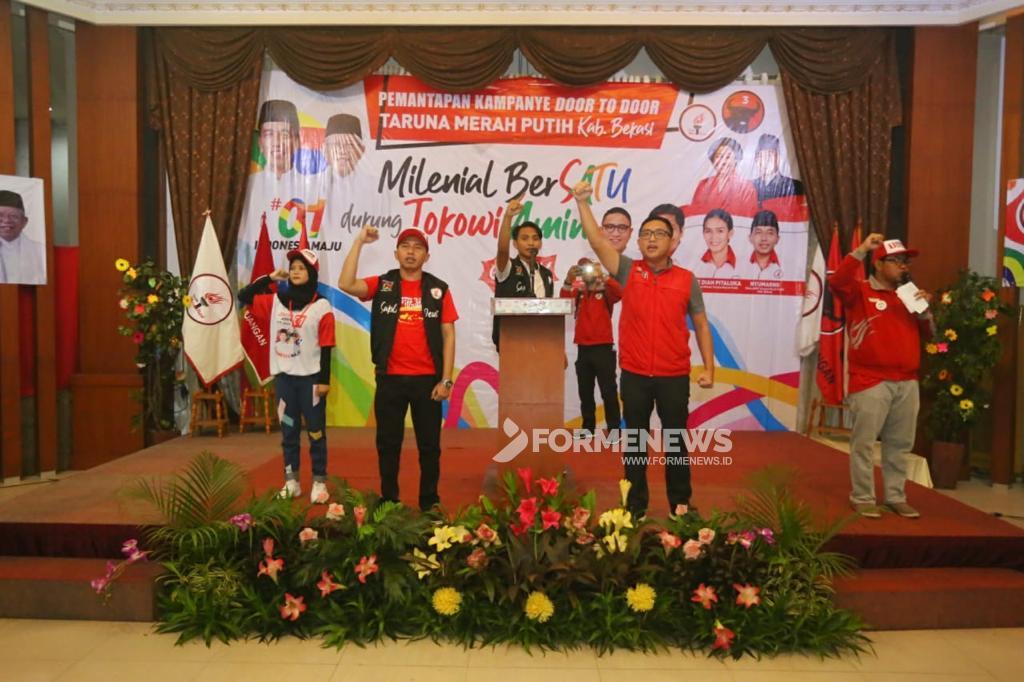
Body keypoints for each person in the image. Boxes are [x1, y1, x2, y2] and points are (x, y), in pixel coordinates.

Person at [574, 180, 715, 518]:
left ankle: (681, 506)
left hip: (673, 376)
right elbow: (597, 241)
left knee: (676, 445)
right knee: (635, 445)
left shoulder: (687, 279)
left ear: (673, 241)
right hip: (635, 375)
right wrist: (581, 202)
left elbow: (701, 324)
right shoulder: (628, 271)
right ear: (637, 242)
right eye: (646, 234)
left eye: (659, 234)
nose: (652, 239)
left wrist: (710, 368)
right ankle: (634, 507)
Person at [339, 226, 458, 511]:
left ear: (427, 256)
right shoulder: (383, 284)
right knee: (388, 444)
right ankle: (389, 500)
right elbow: (346, 284)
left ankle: (429, 502)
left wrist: (446, 381)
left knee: (429, 447)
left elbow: (449, 335)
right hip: (389, 379)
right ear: (396, 254)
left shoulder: (439, 289)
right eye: (405, 246)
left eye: (418, 247)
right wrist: (359, 242)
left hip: (428, 382)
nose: (411, 252)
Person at [828, 233, 933, 519]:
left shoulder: (909, 295)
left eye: (905, 261)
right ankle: (863, 497)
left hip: (907, 381)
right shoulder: (860, 291)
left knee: (900, 445)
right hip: (870, 380)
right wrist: (862, 249)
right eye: (896, 261)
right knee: (864, 443)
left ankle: (896, 496)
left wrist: (925, 311)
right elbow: (837, 281)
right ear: (878, 264)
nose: (903, 266)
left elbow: (930, 334)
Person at [238, 248, 335, 504]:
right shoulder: (276, 301)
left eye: (302, 268)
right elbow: (243, 296)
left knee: (316, 433)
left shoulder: (322, 305)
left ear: (312, 273)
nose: (295, 272)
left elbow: (327, 345)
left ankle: (319, 482)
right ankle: (292, 482)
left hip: (311, 382)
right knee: (289, 433)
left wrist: (324, 381)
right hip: (284, 381)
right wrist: (269, 278)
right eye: (293, 268)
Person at [560, 257, 622, 439]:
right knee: (585, 392)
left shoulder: (605, 290)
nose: (587, 272)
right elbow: (563, 304)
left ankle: (614, 430)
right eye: (583, 269)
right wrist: (568, 280)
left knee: (608, 391)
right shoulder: (578, 292)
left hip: (603, 348)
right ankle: (588, 428)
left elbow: (620, 293)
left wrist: (603, 276)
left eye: (589, 268)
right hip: (583, 348)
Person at [491, 195, 554, 349]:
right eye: (524, 238)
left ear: (540, 243)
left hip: (541, 342)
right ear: (515, 243)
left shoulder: (546, 274)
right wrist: (508, 217)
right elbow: (502, 250)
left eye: (535, 238)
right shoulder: (508, 267)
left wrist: (556, 346)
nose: (531, 243)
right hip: (511, 342)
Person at [686, 137, 758, 218]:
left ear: (736, 159)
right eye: (719, 156)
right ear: (713, 160)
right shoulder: (704, 185)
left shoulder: (747, 187)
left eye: (727, 157)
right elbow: (695, 214)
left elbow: (749, 218)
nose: (723, 161)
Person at [0, 190, 45, 285]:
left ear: (24, 221)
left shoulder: (40, 251)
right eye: (0, 215)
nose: (6, 220)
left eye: (13, 216)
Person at [751, 134, 804, 204]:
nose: (765, 160)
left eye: (770, 154)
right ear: (756, 160)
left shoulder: (794, 186)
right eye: (761, 156)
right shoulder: (750, 187)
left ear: (778, 158)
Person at [693, 208, 739, 279]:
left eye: (720, 231)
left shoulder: (744, 264)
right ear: (703, 233)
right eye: (708, 231)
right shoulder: (694, 263)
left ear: (730, 233)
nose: (714, 237)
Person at [741, 209, 784, 280]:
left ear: (777, 239)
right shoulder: (738, 265)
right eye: (758, 232)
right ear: (750, 238)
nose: (764, 238)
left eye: (770, 233)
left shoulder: (789, 267)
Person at [324, 113, 365, 179]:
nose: (342, 151)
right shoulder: (312, 181)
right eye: (336, 144)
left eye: (349, 145)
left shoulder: (375, 183)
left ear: (361, 150)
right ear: (325, 150)